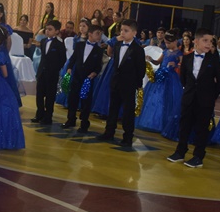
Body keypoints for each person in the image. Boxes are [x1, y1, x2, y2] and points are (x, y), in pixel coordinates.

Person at [167, 28, 220, 168]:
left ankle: (198, 156)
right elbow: (183, 79)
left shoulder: (213, 59)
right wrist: (189, 91)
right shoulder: (187, 58)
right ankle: (180, 152)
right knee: (184, 126)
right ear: (196, 41)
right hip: (189, 98)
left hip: (205, 100)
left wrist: (211, 95)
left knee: (202, 128)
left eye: (210, 41)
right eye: (205, 40)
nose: (208, 44)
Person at [97, 19, 146, 147]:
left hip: (129, 85)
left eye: (126, 31)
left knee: (128, 112)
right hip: (116, 82)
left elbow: (141, 70)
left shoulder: (138, 50)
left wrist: (135, 84)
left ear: (134, 33)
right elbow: (115, 63)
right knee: (112, 108)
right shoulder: (118, 45)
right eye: (122, 30)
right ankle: (109, 132)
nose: (122, 33)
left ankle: (128, 137)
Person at [136, 29, 183, 136]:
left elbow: (183, 66)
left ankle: (164, 124)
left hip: (171, 78)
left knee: (168, 99)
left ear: (175, 41)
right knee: (154, 98)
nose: (167, 45)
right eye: (166, 43)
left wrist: (176, 65)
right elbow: (158, 62)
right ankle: (151, 122)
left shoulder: (179, 54)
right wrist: (151, 59)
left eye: (169, 43)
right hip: (160, 75)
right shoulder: (165, 51)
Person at [61, 25, 104, 133]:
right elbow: (73, 58)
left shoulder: (99, 50)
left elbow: (98, 66)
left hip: (88, 79)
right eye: (97, 33)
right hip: (77, 76)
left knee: (86, 101)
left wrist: (94, 73)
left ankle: (84, 123)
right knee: (72, 98)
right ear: (90, 34)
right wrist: (70, 67)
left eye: (100, 34)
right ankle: (71, 119)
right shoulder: (80, 45)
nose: (99, 36)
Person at [31, 20, 67, 125]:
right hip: (42, 72)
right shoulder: (43, 41)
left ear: (57, 31)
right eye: (46, 29)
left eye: (50, 29)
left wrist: (54, 69)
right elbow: (43, 57)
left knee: (50, 96)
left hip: (52, 73)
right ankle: (39, 114)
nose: (47, 31)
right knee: (39, 94)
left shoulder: (59, 44)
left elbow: (62, 59)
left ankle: (48, 116)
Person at [56, 18, 90, 108]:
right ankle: (66, 101)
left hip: (83, 62)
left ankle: (78, 103)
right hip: (74, 60)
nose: (81, 28)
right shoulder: (77, 37)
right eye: (80, 26)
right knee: (67, 80)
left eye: (84, 26)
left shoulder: (89, 39)